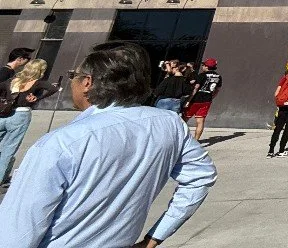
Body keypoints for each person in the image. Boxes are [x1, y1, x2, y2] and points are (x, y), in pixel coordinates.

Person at [0, 41, 216, 248]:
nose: (71, 82)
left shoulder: (61, 143)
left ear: (87, 82)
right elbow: (202, 176)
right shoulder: (169, 124)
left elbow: (16, 235)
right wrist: (155, 237)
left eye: (73, 76)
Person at [0, 58, 56, 186]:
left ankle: (4, 173)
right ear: (41, 71)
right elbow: (53, 89)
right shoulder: (37, 83)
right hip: (21, 115)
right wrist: (38, 98)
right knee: (9, 148)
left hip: (4, 114)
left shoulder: (12, 81)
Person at [182, 58, 222, 141]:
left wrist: (188, 100)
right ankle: (196, 140)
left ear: (207, 66)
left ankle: (182, 138)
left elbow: (196, 88)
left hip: (195, 100)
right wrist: (211, 97)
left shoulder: (202, 75)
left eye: (203, 65)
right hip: (207, 100)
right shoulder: (218, 77)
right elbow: (217, 90)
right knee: (200, 121)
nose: (202, 66)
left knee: (184, 119)